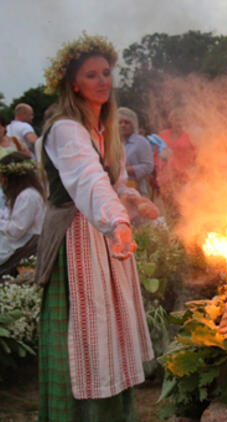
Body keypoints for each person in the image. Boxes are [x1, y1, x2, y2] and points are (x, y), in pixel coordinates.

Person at [36, 33, 153, 421]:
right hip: (77, 240)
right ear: (74, 83)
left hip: (106, 236)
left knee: (110, 329)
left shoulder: (101, 128)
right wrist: (118, 221)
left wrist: (133, 199)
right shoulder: (65, 128)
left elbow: (112, 181)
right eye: (91, 75)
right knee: (87, 332)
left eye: (106, 73)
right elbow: (87, 179)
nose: (103, 81)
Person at [0, 152, 46, 276]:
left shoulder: (28, 196)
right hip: (17, 244)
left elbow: (16, 230)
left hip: (23, 248)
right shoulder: (22, 195)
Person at [118, 107, 154, 196]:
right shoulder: (113, 142)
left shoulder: (141, 142)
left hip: (136, 190)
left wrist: (127, 170)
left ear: (133, 125)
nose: (123, 125)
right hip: (116, 191)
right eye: (120, 122)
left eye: (127, 122)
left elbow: (148, 166)